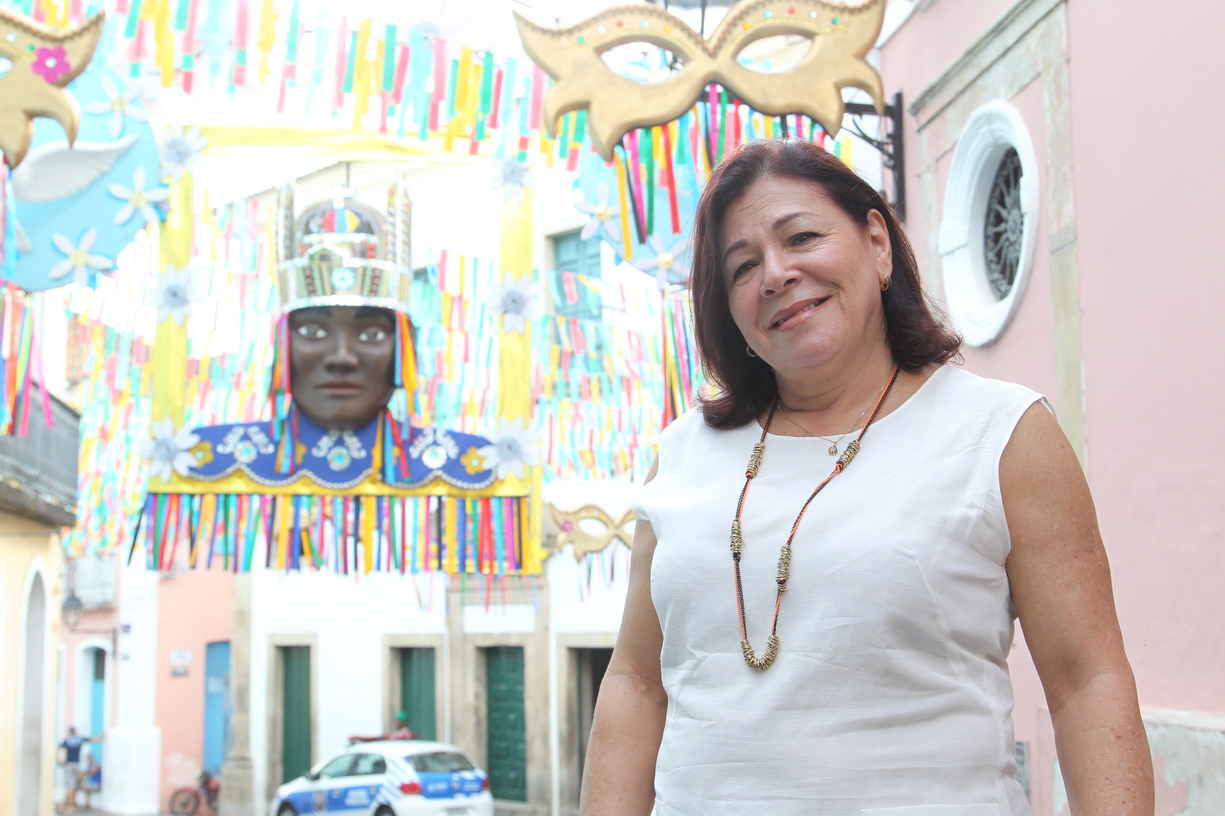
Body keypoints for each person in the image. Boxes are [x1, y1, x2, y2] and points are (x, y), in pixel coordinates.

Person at [579, 139, 1153, 815]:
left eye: (802, 237)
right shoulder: (681, 454)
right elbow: (636, 685)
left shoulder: (1001, 433)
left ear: (877, 244)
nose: (776, 274)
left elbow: (1086, 683)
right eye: (742, 266)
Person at [57, 726, 96, 813]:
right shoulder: (80, 739)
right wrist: (103, 736)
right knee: (74, 786)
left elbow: (59, 749)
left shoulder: (67, 740)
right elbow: (92, 739)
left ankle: (69, 807)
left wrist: (60, 760)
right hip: (77, 765)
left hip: (70, 765)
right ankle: (69, 804)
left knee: (70, 787)